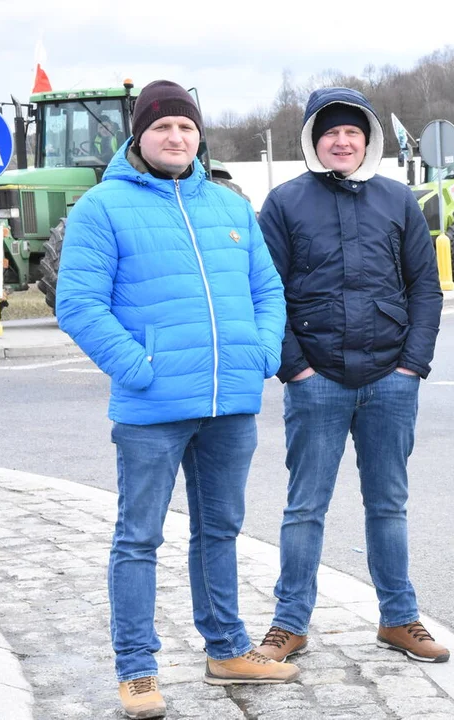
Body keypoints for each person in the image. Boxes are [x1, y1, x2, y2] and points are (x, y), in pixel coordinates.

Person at [56, 79, 297, 719]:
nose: (175, 137)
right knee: (138, 538)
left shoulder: (231, 207)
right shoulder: (102, 207)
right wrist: (139, 366)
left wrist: (261, 352)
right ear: (140, 135)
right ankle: (137, 670)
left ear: (198, 135)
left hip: (230, 402)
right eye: (162, 127)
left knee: (219, 530)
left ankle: (226, 649)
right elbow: (77, 304)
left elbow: (268, 292)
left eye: (186, 127)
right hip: (152, 408)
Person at [256, 87, 447, 665]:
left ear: (368, 140)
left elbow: (425, 290)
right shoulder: (285, 204)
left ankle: (399, 619)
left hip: (391, 379)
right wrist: (298, 370)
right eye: (330, 132)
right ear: (315, 140)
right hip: (317, 383)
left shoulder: (398, 200)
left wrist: (412, 367)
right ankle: (289, 624)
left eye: (352, 132)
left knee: (388, 504)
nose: (342, 141)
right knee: (304, 508)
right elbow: (266, 295)